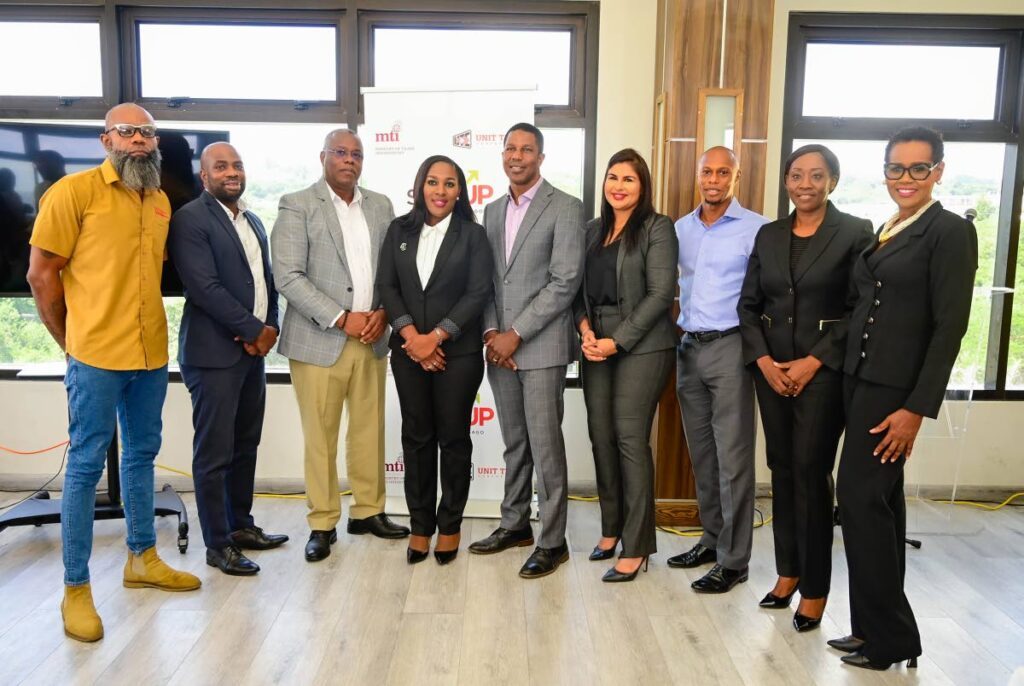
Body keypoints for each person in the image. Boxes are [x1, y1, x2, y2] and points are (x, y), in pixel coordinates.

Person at [26, 103, 201, 644]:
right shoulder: (71, 194)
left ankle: (142, 558)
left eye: (148, 133)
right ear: (106, 139)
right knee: (83, 468)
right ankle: (76, 588)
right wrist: (70, 342)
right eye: (127, 132)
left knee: (142, 454)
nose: (140, 141)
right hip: (96, 357)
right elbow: (40, 274)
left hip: (150, 355)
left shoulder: (161, 200)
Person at [831, 127, 977, 671]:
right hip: (860, 381)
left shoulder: (949, 232)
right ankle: (875, 629)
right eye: (896, 168)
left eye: (919, 168)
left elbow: (950, 329)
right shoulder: (891, 226)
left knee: (861, 506)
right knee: (882, 510)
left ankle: (890, 638)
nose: (906, 178)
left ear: (939, 170)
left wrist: (916, 408)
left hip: (895, 392)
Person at [738, 144, 873, 628]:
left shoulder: (855, 233)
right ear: (787, 182)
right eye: (797, 175)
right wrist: (765, 361)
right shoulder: (769, 234)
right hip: (770, 371)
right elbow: (748, 305)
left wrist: (814, 362)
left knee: (811, 473)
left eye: (817, 176)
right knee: (781, 469)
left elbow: (861, 309)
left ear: (832, 181)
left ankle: (815, 589)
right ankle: (787, 572)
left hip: (822, 373)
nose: (806, 184)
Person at [272, 128, 409, 563]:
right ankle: (323, 521)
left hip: (372, 336)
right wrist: (340, 317)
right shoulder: (297, 204)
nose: (349, 160)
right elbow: (289, 276)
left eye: (356, 154)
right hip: (320, 338)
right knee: (321, 436)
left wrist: (383, 313)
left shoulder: (381, 206)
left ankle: (368, 511)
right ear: (323, 157)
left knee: (369, 432)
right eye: (340, 153)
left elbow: (393, 269)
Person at [468, 122, 585, 579]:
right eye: (510, 148)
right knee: (515, 443)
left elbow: (564, 281)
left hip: (540, 347)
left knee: (546, 447)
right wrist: (493, 333)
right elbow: (488, 280)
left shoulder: (566, 208)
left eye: (527, 149)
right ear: (502, 155)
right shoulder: (493, 210)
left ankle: (552, 541)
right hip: (499, 348)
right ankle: (514, 524)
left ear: (541, 156)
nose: (517, 156)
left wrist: (515, 333)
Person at [167, 142, 288, 577]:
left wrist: (269, 327)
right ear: (204, 176)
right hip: (214, 355)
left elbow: (266, 283)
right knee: (214, 453)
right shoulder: (190, 220)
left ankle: (240, 526)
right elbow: (204, 289)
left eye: (237, 165)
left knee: (244, 445)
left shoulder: (251, 220)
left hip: (252, 354)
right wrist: (255, 331)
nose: (231, 172)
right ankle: (217, 544)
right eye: (221, 166)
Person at [376, 155, 493, 565]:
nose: (439, 191)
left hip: (457, 355)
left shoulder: (473, 236)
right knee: (417, 439)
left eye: (448, 183)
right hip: (408, 353)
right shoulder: (399, 231)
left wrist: (437, 337)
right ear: (419, 186)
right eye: (432, 182)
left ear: (460, 190)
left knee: (454, 441)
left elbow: (478, 293)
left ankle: (450, 525)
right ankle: (421, 525)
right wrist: (413, 338)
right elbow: (387, 287)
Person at [573, 149, 677, 582]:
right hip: (595, 340)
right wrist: (585, 332)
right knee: (601, 437)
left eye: (628, 179)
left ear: (642, 186)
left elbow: (661, 293)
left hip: (643, 344)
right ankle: (611, 529)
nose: (618, 186)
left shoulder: (657, 227)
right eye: (612, 177)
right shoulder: (592, 230)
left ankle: (637, 546)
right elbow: (575, 287)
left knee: (630, 438)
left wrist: (618, 341)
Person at [668, 146, 768, 593]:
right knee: (702, 455)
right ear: (698, 175)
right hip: (688, 347)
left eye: (722, 172)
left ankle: (735, 559)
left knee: (733, 459)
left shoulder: (757, 229)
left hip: (731, 349)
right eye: (707, 171)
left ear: (735, 177)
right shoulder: (680, 230)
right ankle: (711, 539)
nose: (713, 179)